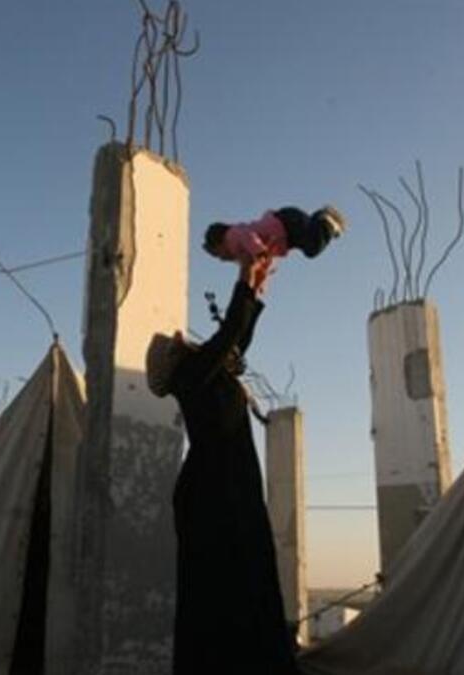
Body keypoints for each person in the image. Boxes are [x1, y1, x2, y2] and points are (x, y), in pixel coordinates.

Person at [146, 257, 297, 675]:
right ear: (177, 358)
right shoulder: (193, 374)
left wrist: (256, 289)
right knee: (226, 587)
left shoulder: (206, 374)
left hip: (226, 487)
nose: (186, 341)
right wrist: (243, 278)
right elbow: (228, 335)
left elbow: (234, 343)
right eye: (179, 343)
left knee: (245, 578)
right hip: (214, 493)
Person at [203, 205, 346, 266]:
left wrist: (259, 252)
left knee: (312, 247)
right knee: (310, 245)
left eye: (218, 254)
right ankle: (321, 219)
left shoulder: (232, 236)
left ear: (220, 243)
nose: (221, 259)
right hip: (287, 232)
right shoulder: (240, 251)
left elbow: (246, 234)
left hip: (287, 223)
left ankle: (326, 219)